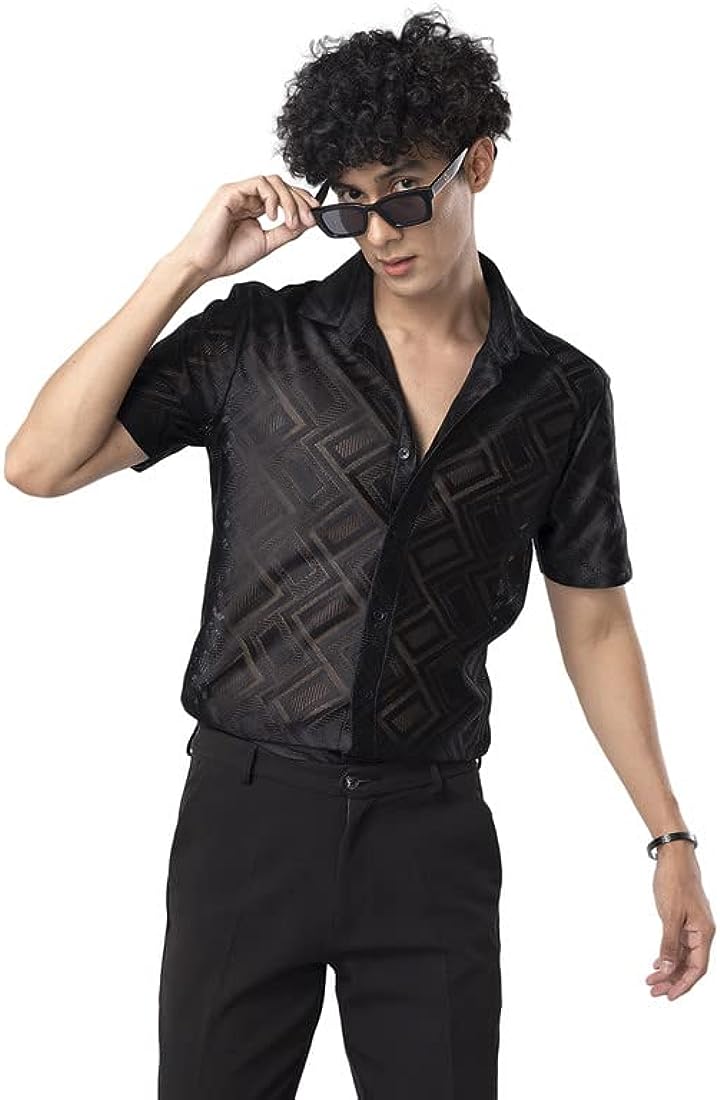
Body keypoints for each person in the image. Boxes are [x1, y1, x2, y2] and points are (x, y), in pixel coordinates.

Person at [5, 10, 714, 1100]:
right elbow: (38, 463)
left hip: (430, 834)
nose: (380, 230)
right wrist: (186, 268)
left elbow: (597, 622)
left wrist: (670, 836)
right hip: (248, 820)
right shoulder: (257, 341)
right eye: (348, 202)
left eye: (407, 189)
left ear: (480, 162)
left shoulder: (560, 393)